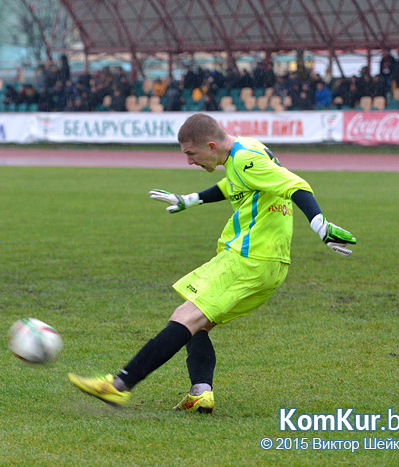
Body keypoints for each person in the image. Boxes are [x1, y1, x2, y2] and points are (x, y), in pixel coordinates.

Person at [68, 113, 356, 412]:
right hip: (269, 262)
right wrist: (190, 199)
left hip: (249, 258)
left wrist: (320, 225)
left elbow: (295, 184)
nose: (190, 162)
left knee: (186, 315)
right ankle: (200, 392)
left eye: (191, 154)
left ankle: (118, 385)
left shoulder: (245, 160)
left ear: (209, 145)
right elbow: (232, 185)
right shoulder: (245, 150)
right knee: (199, 323)